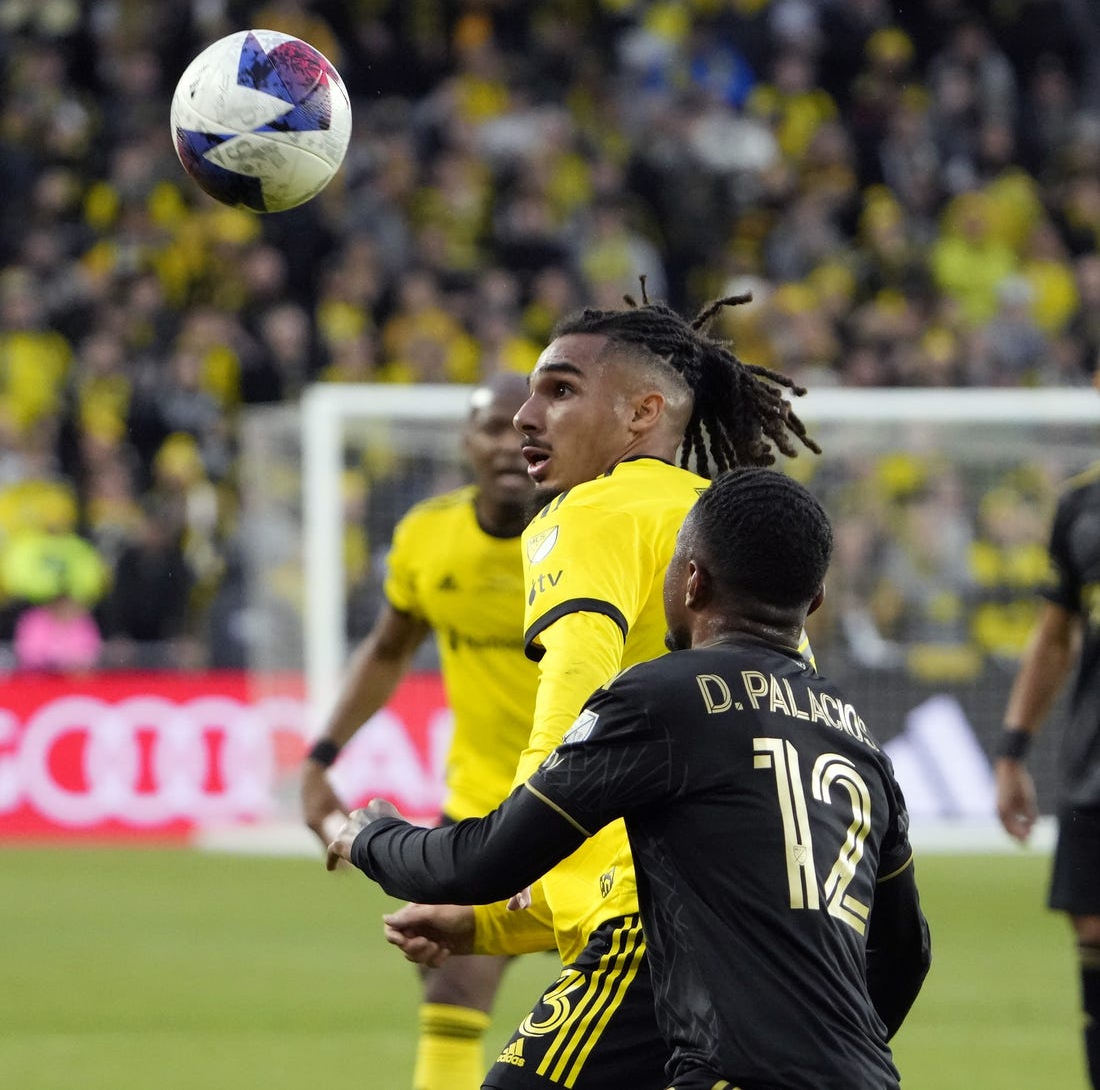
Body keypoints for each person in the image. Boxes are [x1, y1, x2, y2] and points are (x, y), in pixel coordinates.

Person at [350, 286, 823, 1089]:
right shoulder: (725, 523)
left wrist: (482, 852)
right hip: (780, 939)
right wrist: (495, 924)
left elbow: (575, 705)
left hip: (650, 927)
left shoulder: (594, 511)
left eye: (560, 390)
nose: (527, 415)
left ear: (642, 414)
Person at [329, 467, 932, 1090]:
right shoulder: (857, 738)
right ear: (814, 602)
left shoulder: (663, 698)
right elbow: (905, 954)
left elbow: (489, 860)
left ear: (691, 580)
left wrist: (373, 835)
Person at [301, 372, 541, 1090]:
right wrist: (319, 758)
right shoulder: (428, 537)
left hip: (603, 815)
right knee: (452, 995)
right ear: (467, 441)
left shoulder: (592, 533)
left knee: (653, 1013)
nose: (507, 443)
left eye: (524, 428)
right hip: (484, 811)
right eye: (493, 427)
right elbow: (387, 649)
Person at [994, 406, 1100, 1088]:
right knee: (1094, 951)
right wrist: (1011, 751)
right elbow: (1053, 638)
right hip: (1096, 774)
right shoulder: (1082, 508)